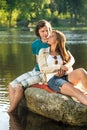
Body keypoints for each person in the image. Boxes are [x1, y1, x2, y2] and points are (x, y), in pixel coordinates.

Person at [7, 19, 52, 113]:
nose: (45, 33)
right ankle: (14, 109)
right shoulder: (35, 44)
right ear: (38, 32)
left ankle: (10, 112)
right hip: (36, 70)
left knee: (19, 86)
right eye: (42, 31)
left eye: (47, 30)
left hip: (46, 73)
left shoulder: (55, 42)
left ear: (50, 30)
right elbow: (38, 61)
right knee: (11, 85)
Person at [37, 30, 87, 105]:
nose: (48, 36)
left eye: (52, 36)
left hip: (66, 76)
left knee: (81, 71)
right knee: (77, 91)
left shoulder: (63, 51)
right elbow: (42, 69)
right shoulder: (43, 51)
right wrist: (59, 67)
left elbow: (72, 59)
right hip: (53, 79)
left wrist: (66, 67)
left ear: (57, 40)